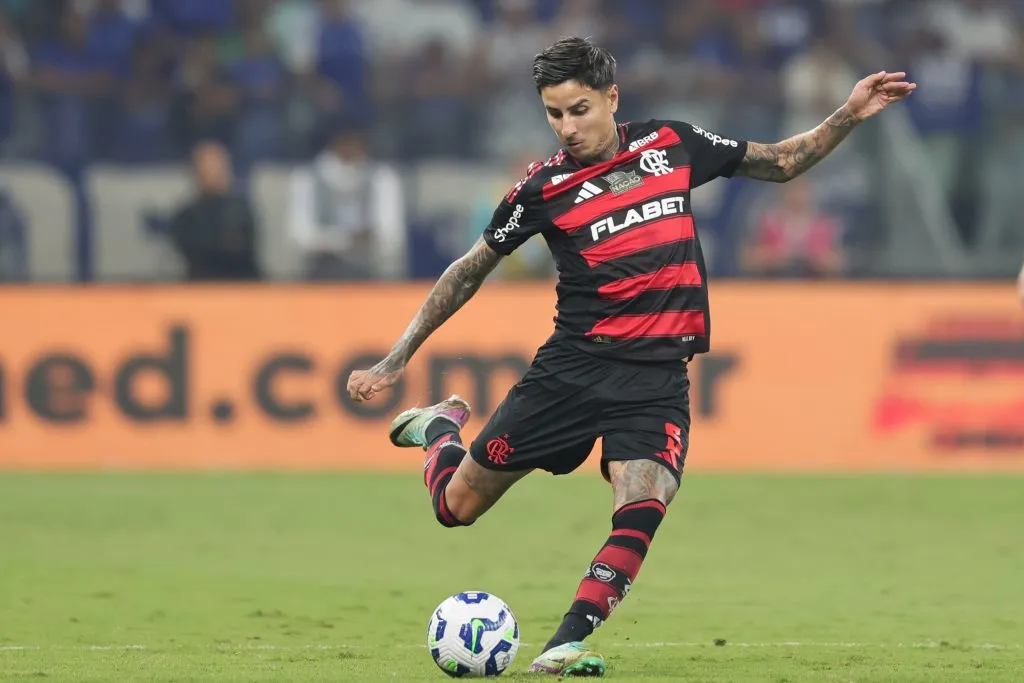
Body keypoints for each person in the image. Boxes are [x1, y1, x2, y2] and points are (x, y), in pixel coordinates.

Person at [347, 36, 915, 677]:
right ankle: (442, 428)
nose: (567, 127)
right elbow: (469, 270)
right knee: (456, 508)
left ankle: (563, 643)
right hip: (573, 371)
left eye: (580, 110)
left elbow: (780, 163)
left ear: (611, 99)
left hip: (657, 378)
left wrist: (846, 113)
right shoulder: (543, 188)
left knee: (644, 501)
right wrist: (395, 360)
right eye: (555, 115)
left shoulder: (671, 145)